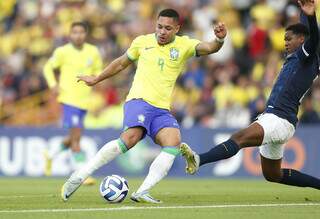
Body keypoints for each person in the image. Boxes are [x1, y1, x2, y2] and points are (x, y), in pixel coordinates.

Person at [61, 8, 227, 203]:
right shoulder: (142, 42)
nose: (162, 32)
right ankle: (79, 175)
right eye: (159, 27)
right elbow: (121, 63)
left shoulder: (184, 45)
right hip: (138, 101)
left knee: (173, 141)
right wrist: (97, 78)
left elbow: (210, 48)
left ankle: (142, 191)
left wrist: (219, 40)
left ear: (177, 29)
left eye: (167, 28)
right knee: (130, 139)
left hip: (161, 109)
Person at [181, 0, 320, 190]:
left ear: (302, 40)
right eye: (285, 39)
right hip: (279, 120)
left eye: (289, 39)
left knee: (239, 137)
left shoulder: (307, 57)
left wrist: (311, 16)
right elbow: (306, 29)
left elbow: (313, 37)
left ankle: (199, 159)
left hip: (279, 119)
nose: (285, 42)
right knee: (273, 174)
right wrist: (306, 12)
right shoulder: (299, 57)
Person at [43, 21, 103, 185]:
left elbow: (99, 71)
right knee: (76, 140)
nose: (78, 35)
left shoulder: (93, 51)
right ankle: (81, 175)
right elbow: (48, 67)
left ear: (86, 34)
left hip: (84, 102)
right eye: (74, 32)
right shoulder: (62, 51)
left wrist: (96, 78)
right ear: (70, 34)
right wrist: (53, 85)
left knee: (72, 137)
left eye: (81, 32)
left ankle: (50, 154)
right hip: (68, 100)